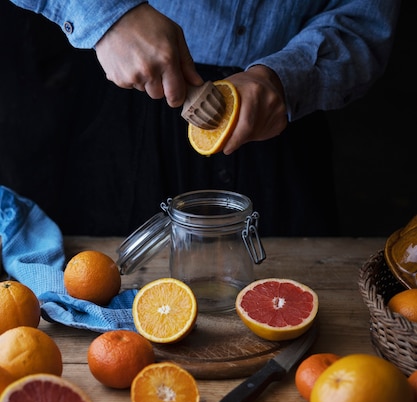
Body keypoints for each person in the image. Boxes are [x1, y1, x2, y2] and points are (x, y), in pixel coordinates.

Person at [1, 0, 401, 237]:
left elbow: (364, 18)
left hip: (283, 119)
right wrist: (106, 12)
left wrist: (285, 78)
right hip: (127, 107)